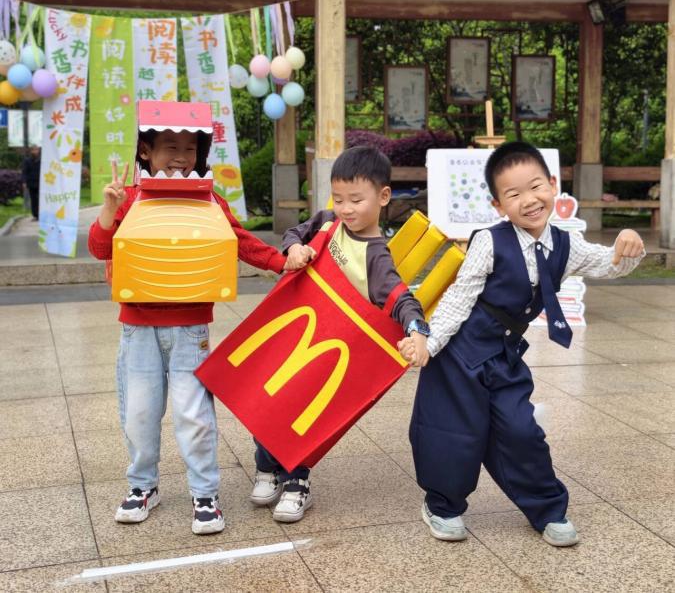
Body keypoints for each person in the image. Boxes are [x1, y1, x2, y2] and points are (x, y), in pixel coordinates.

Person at [399, 141, 645, 547]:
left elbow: (610, 263)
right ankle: (442, 506)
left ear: (553, 185)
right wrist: (429, 341)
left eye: (535, 187)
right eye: (513, 194)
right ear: (498, 205)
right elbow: (460, 297)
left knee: (521, 431)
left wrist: (628, 243)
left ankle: (547, 510)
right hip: (459, 354)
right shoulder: (489, 241)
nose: (529, 200)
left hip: (505, 357)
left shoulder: (566, 245)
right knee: (453, 434)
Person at [88, 116, 293, 535]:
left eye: (190, 149)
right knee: (139, 413)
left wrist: (281, 261)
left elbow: (240, 241)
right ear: (145, 151)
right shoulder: (130, 198)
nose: (181, 157)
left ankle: (205, 494)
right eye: (170, 147)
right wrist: (110, 209)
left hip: (191, 329)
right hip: (138, 328)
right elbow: (99, 247)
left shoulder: (209, 199)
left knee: (194, 416)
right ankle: (143, 486)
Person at [250, 145, 429, 523]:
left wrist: (416, 330)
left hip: (332, 347)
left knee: (303, 412)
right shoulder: (327, 222)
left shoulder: (376, 256)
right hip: (295, 330)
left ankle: (296, 481)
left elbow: (400, 297)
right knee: (267, 398)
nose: (345, 208)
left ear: (383, 196)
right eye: (339, 198)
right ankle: (266, 466)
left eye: (356, 200)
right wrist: (294, 248)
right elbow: (294, 232)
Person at [21, 144, 41, 220]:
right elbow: (24, 172)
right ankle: (35, 215)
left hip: (40, 183)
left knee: (40, 199)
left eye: (37, 149)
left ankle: (41, 214)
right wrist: (24, 182)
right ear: (31, 151)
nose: (35, 151)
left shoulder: (42, 160)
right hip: (31, 183)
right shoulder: (27, 160)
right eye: (34, 150)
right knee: (33, 199)